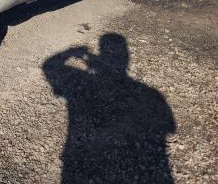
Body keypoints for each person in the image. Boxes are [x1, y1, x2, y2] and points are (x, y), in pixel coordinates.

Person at [43, 33, 176, 183]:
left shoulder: (84, 80)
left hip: (81, 162)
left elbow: (49, 66)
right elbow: (169, 128)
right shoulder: (150, 94)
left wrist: (72, 52)